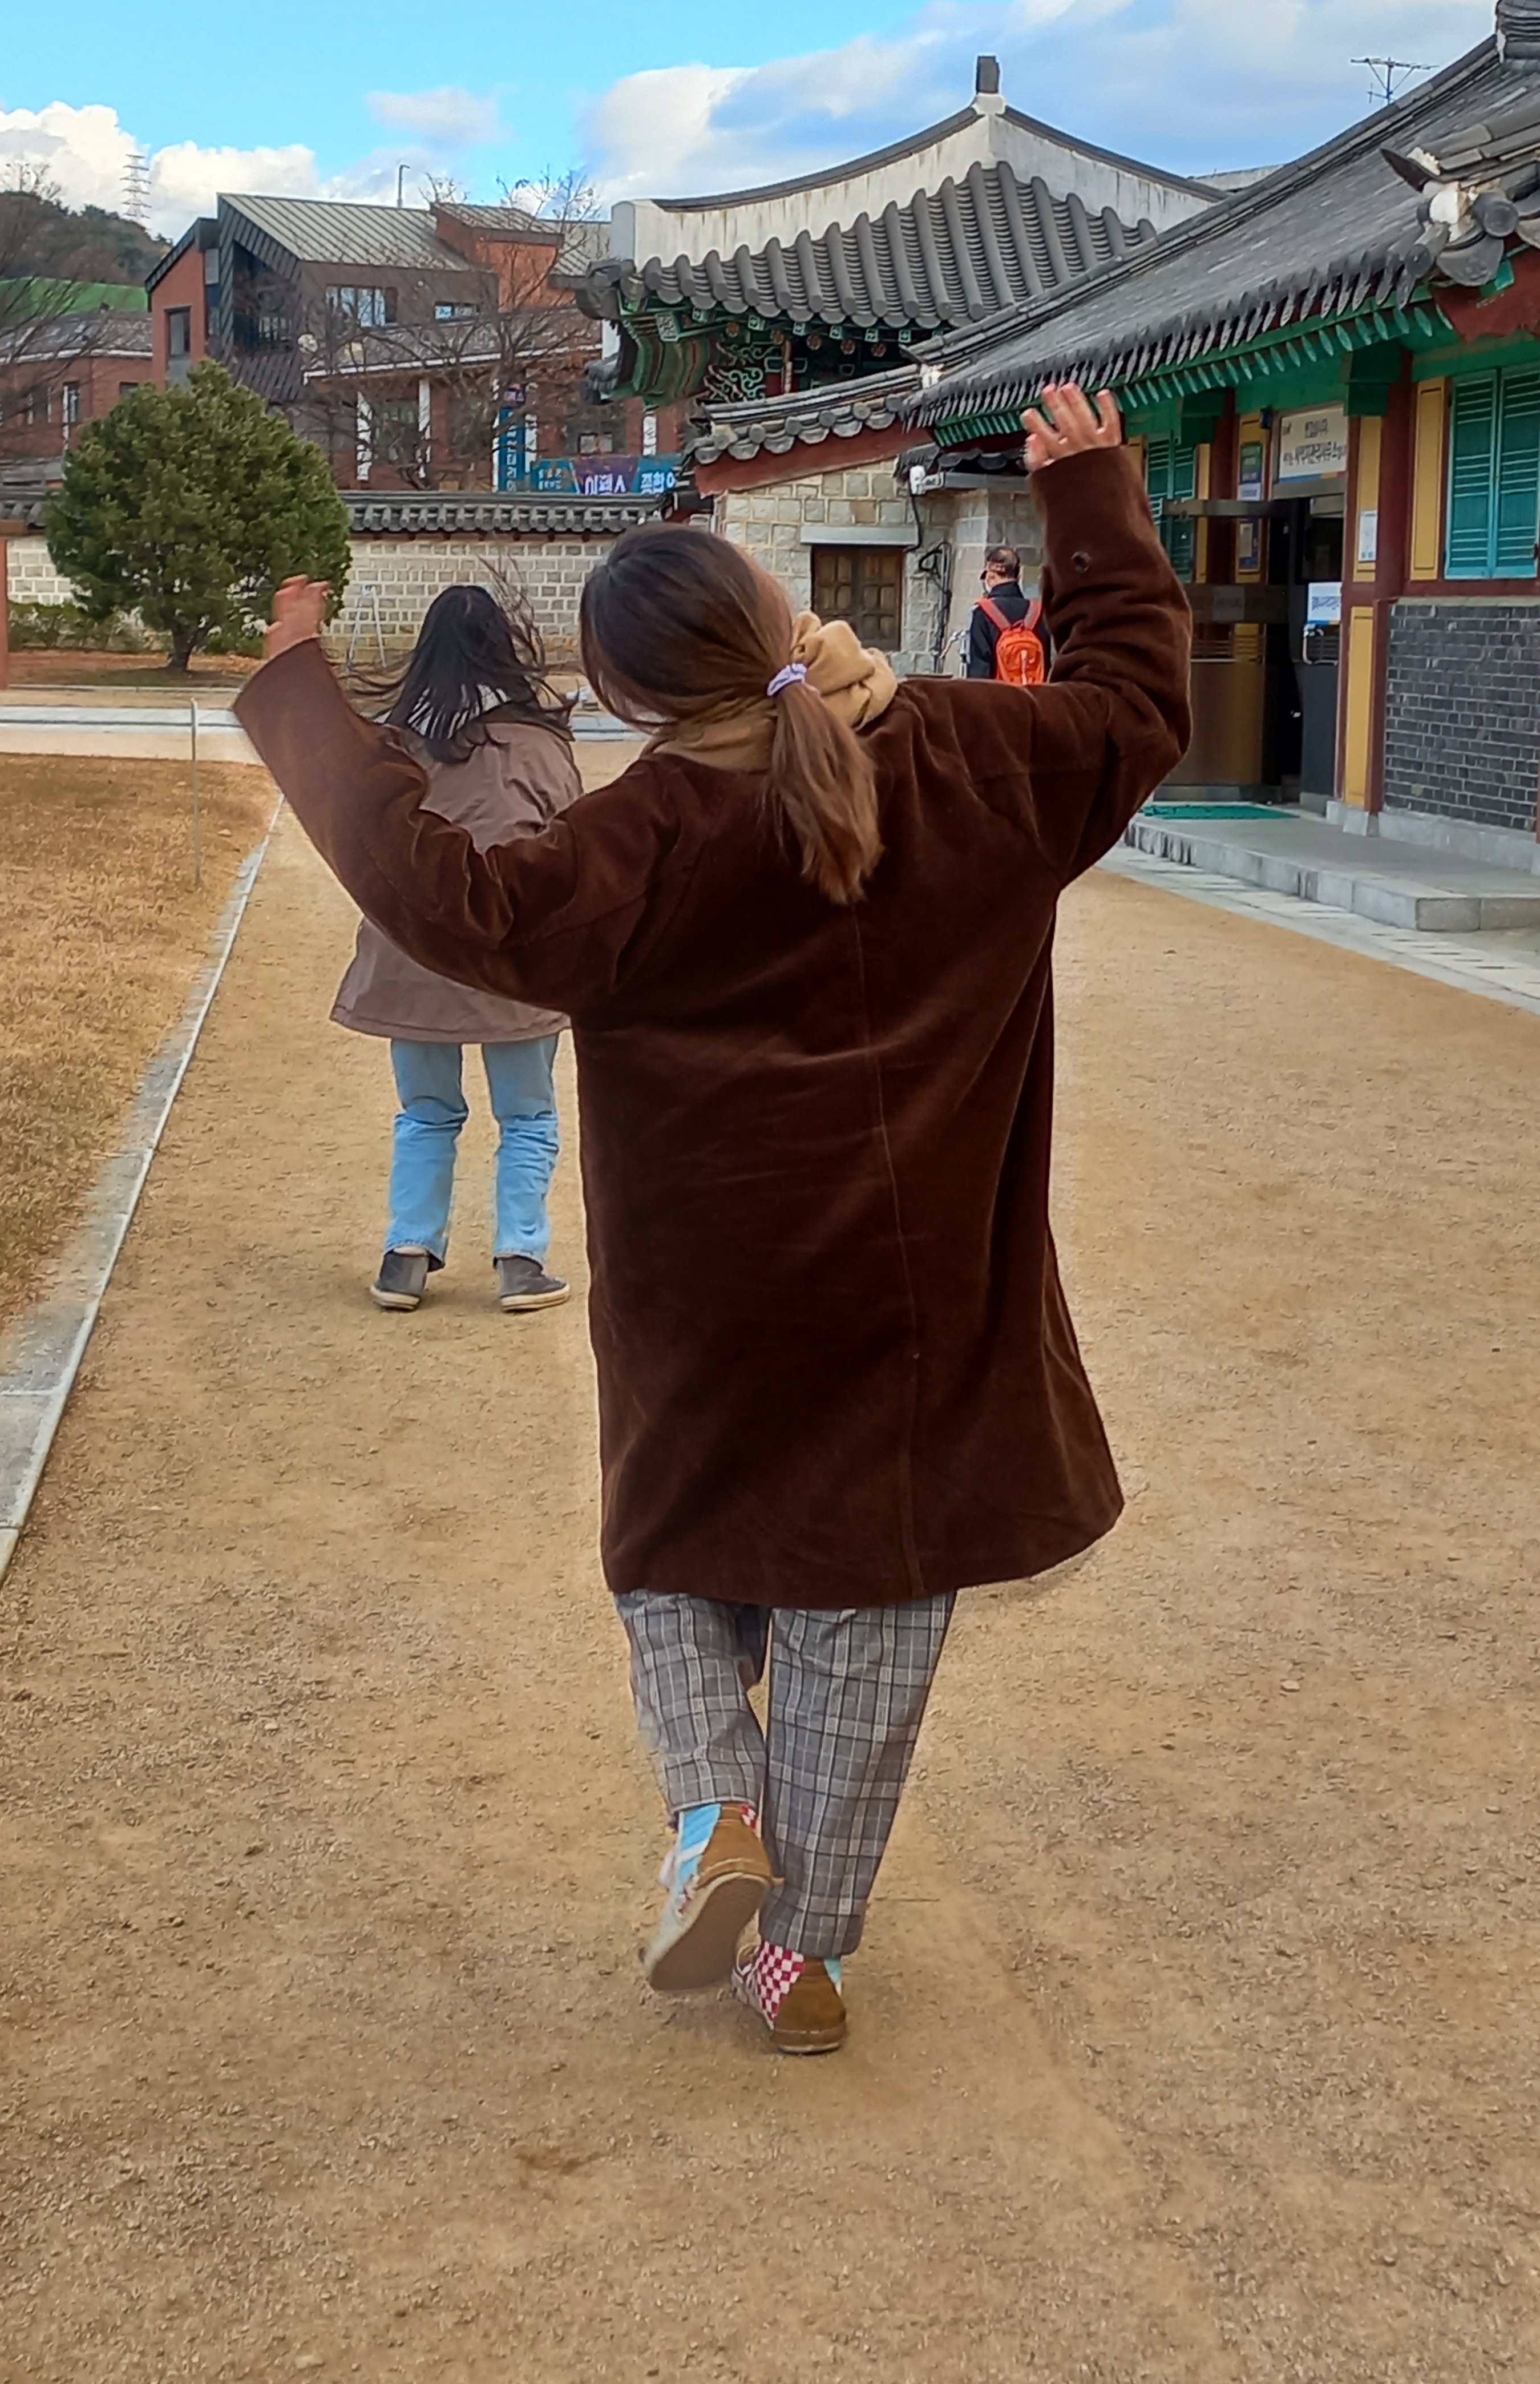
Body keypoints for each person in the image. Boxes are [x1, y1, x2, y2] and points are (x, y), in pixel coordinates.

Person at [237, 386, 1191, 2054]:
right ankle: (799, 1956)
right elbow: (1135, 705)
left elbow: (451, 894)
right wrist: (1089, 499)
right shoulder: (979, 759)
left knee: (674, 1552)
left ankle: (713, 1812)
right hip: (923, 1308)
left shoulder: (639, 838)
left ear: (628, 697)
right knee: (864, 1603)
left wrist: (307, 689)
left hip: (708, 1301)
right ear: (775, 611)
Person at [331, 584, 581, 1316]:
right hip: (511, 956)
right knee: (527, 1115)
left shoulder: (392, 748)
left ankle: (406, 1255)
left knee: (426, 1111)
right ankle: (520, 1259)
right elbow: (568, 845)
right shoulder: (539, 744)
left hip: (414, 953)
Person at [964, 544, 1052, 681]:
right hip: (1033, 694)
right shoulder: (1039, 611)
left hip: (999, 694)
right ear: (1019, 575)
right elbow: (1046, 665)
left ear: (990, 576)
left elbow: (979, 673)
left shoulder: (982, 612)